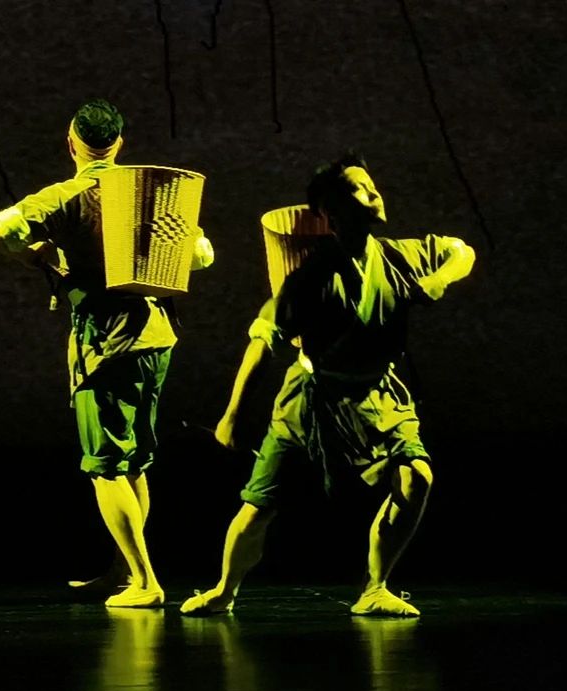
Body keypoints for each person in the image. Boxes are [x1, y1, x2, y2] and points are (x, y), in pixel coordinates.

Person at [180, 153, 475, 617]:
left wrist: (439, 279)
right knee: (260, 503)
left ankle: (375, 587)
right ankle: (223, 589)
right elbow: (263, 340)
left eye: (372, 184)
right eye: (359, 188)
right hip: (313, 400)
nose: (374, 193)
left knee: (417, 476)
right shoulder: (312, 277)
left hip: (379, 394)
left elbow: (462, 251)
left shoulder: (399, 255)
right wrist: (232, 415)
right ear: (331, 211)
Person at [0, 99, 214, 608]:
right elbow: (202, 255)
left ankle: (146, 581)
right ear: (119, 144)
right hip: (155, 335)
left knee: (106, 464)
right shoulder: (148, 193)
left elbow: (0, 231)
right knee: (134, 462)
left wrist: (42, 257)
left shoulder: (65, 196)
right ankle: (124, 571)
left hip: (106, 342)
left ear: (71, 144)